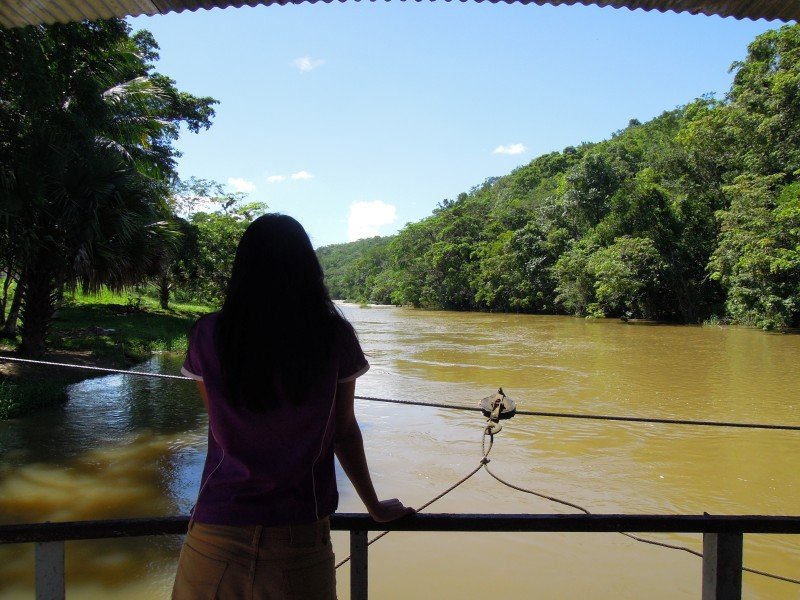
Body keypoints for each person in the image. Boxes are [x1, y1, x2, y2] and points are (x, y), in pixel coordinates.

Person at [172, 214, 414, 599]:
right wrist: (375, 507)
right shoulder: (333, 337)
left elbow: (219, 423)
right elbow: (343, 432)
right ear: (309, 270)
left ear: (243, 270)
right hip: (298, 539)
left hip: (216, 533)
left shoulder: (209, 334)